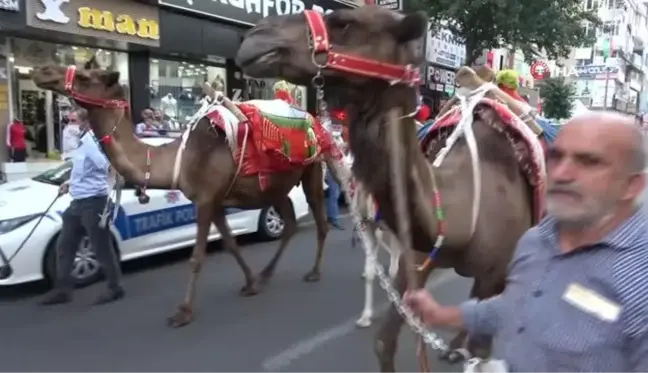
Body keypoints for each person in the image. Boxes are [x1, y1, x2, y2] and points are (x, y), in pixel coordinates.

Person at [403, 112, 648, 373]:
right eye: (556, 156)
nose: (563, 173)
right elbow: (518, 302)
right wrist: (445, 316)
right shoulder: (535, 240)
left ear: (632, 185)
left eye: (590, 162)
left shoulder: (640, 278)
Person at [40, 108, 124, 306]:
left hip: (93, 203)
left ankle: (115, 288)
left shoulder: (92, 143)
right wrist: (70, 182)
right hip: (77, 203)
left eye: (75, 120)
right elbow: (83, 168)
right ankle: (62, 290)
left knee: (101, 247)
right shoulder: (84, 141)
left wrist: (109, 189)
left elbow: (106, 166)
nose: (72, 124)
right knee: (65, 245)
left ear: (86, 122)